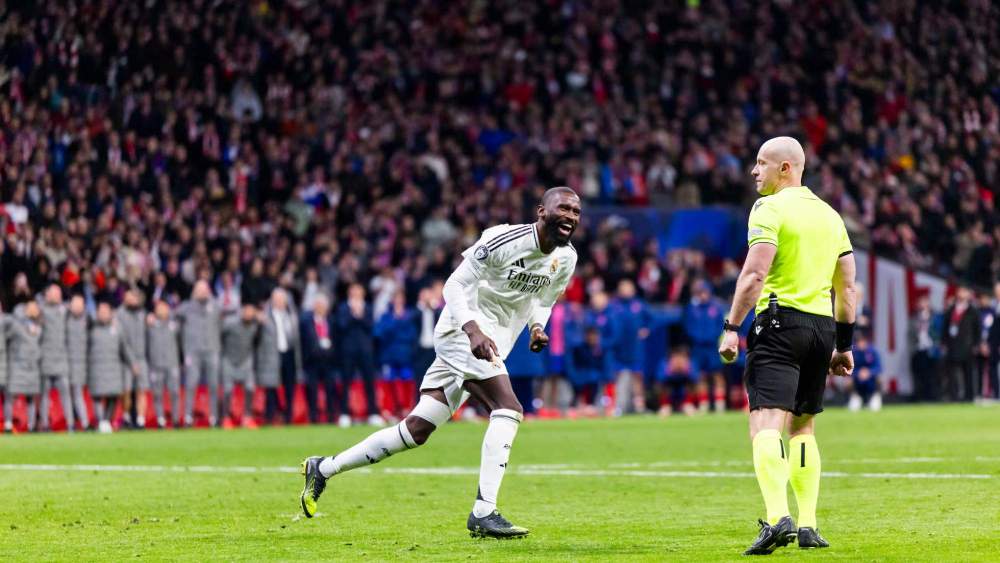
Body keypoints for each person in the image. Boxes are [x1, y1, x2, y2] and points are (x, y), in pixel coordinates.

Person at [299, 187, 581, 539]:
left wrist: (537, 326)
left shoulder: (566, 258)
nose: (570, 216)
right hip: (462, 332)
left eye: (576, 211)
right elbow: (454, 285)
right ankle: (484, 511)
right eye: (564, 208)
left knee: (415, 430)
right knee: (508, 408)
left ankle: (323, 468)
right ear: (542, 211)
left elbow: (544, 298)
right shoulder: (503, 239)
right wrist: (472, 329)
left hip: (494, 341)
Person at [718, 137, 855, 554]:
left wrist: (731, 326)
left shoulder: (769, 208)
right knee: (803, 425)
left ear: (785, 169)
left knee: (764, 421)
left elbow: (755, 273)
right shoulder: (831, 216)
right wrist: (844, 346)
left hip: (779, 323)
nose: (753, 171)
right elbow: (847, 287)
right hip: (821, 329)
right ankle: (810, 524)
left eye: (761, 163)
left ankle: (778, 517)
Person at [176, 281, 223, 427]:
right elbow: (172, 316)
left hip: (212, 350)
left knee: (214, 385)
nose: (202, 292)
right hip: (193, 351)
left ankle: (214, 417)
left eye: (205, 289)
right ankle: (188, 417)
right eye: (199, 290)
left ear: (209, 291)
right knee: (190, 385)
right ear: (194, 292)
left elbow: (222, 323)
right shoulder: (186, 307)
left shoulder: (216, 306)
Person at [89, 300, 140, 433]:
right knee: (97, 396)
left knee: (113, 396)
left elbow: (125, 348)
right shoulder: (91, 327)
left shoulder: (117, 328)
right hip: (96, 368)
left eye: (106, 311)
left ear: (111, 313)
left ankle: (106, 420)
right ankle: (100, 421)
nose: (103, 314)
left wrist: (133, 363)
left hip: (113, 367)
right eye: (101, 311)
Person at [335, 283, 382, 425]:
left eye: (359, 291)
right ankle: (344, 414)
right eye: (354, 291)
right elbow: (341, 326)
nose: (356, 294)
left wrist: (360, 315)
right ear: (349, 293)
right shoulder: (343, 308)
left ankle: (373, 413)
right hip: (348, 351)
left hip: (365, 351)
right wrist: (353, 314)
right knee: (346, 382)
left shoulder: (367, 307)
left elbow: (370, 326)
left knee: (369, 382)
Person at [374, 290, 420, 421]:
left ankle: (406, 409)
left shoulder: (410, 315)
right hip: (389, 356)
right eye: (396, 299)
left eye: (401, 299)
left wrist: (397, 329)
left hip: (405, 356)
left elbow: (411, 335)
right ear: (392, 301)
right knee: (389, 383)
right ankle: (389, 410)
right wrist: (396, 321)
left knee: (407, 382)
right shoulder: (386, 316)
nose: (398, 302)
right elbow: (379, 333)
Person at [683, 279, 728, 413]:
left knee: (717, 374)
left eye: (704, 292)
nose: (702, 295)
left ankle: (720, 404)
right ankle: (704, 403)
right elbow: (688, 326)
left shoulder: (716, 308)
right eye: (699, 293)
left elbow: (721, 325)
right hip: (698, 347)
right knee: (700, 375)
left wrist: (711, 337)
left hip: (712, 346)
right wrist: (697, 338)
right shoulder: (691, 309)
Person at [300, 293, 342, 425]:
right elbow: (304, 341)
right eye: (318, 305)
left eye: (323, 306)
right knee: (312, 390)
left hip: (328, 361)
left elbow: (336, 340)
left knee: (330, 389)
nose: (321, 308)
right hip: (312, 361)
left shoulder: (331, 320)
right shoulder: (306, 321)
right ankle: (313, 417)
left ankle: (330, 417)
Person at [610, 279, 650, 414]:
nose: (626, 290)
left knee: (637, 377)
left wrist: (646, 329)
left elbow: (651, 319)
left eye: (628, 287)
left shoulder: (639, 305)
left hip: (635, 348)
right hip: (618, 348)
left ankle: (639, 407)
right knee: (616, 376)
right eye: (623, 288)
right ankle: (617, 407)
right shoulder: (614, 305)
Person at [38, 284, 74, 432]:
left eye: (58, 293)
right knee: (44, 394)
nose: (56, 296)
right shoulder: (41, 310)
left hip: (61, 359)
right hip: (46, 358)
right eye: (53, 293)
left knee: (66, 394)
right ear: (47, 295)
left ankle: (70, 424)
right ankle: (44, 424)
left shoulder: (65, 310)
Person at [4, 301, 43, 433]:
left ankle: (31, 426)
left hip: (32, 367)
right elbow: (6, 339)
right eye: (31, 308)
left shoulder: (39, 326)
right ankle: (8, 425)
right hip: (17, 365)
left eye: (36, 308)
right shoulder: (15, 324)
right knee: (11, 396)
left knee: (31, 397)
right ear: (26, 309)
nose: (34, 310)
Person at [221, 303, 260, 428]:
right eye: (247, 311)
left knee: (250, 388)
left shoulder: (256, 325)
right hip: (229, 359)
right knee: (227, 390)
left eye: (251, 312)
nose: (249, 314)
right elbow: (219, 335)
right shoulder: (230, 323)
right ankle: (226, 418)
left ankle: (247, 417)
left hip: (245, 360)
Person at [941, 287, 981, 401]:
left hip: (968, 346)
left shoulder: (973, 311)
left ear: (968, 294)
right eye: (960, 291)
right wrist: (944, 342)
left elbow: (978, 329)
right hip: (953, 346)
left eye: (964, 292)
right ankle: (954, 396)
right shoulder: (951, 309)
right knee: (952, 374)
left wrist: (976, 344)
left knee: (968, 373)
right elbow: (945, 328)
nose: (961, 294)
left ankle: (969, 396)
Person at [117, 289, 150, 428]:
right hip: (125, 360)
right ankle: (126, 418)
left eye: (134, 297)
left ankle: (141, 420)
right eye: (129, 297)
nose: (132, 299)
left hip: (142, 358)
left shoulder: (143, 315)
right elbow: (122, 340)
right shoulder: (119, 314)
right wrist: (132, 362)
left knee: (142, 390)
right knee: (126, 390)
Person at [147, 300, 182, 428]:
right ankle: (160, 419)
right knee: (157, 394)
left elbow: (181, 343)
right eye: (159, 308)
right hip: (156, 364)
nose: (161, 311)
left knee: (175, 393)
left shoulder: (174, 325)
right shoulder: (150, 325)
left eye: (164, 308)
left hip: (172, 363)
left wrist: (181, 361)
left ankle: (176, 419)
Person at [66, 295, 91, 430]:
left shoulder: (89, 320)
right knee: (69, 393)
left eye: (80, 304)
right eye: (74, 304)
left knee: (77, 392)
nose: (77, 307)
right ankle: (73, 422)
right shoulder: (65, 318)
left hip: (81, 362)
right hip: (64, 361)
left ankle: (84, 422)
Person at [847, 332, 882, 411]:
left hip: (871, 379)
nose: (860, 343)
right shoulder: (853, 353)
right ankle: (855, 398)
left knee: (880, 379)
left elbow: (879, 367)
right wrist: (858, 372)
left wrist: (869, 372)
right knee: (848, 381)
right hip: (858, 379)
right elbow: (849, 368)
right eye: (858, 341)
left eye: (862, 341)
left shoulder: (873, 352)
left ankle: (875, 397)